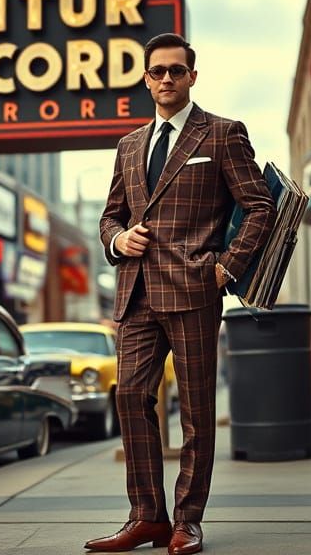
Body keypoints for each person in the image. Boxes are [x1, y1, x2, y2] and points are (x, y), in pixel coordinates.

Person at [86, 33, 276, 555]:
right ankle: (146, 516)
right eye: (157, 72)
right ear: (146, 79)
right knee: (129, 397)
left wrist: (226, 268)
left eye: (176, 70)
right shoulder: (128, 145)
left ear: (192, 76)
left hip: (195, 290)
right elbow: (110, 215)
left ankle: (186, 521)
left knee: (195, 412)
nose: (166, 79)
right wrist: (118, 239)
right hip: (136, 293)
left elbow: (260, 206)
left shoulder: (221, 134)